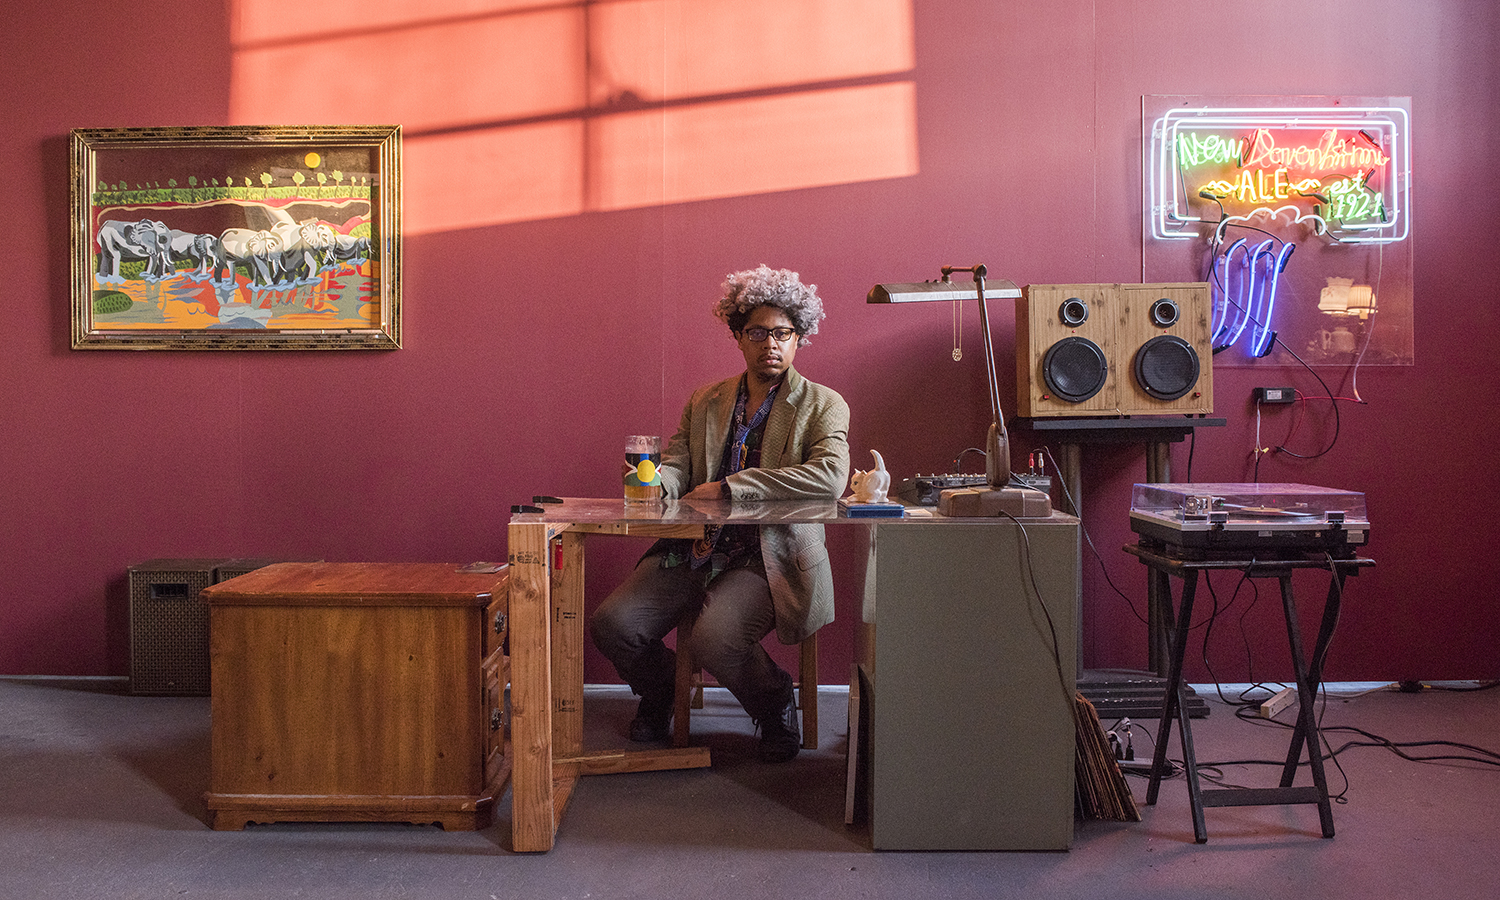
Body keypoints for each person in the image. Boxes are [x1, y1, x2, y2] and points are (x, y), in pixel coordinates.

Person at [590, 264, 851, 763]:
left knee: (716, 637)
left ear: (799, 339)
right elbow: (677, 466)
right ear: (738, 336)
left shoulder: (824, 405)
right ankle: (664, 688)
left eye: (783, 333)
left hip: (770, 557)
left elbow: (829, 479)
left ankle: (775, 702)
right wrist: (651, 481)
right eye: (757, 332)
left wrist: (732, 488)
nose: (770, 343)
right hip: (695, 547)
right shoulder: (705, 401)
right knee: (613, 623)